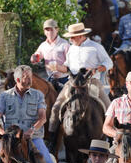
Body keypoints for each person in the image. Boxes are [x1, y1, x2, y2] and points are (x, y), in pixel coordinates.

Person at [47, 22, 112, 152]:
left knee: (109, 107)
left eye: (73, 37)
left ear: (81, 36)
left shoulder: (96, 47)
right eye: (70, 37)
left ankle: (112, 138)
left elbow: (108, 62)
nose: (70, 40)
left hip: (91, 81)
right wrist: (56, 67)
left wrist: (96, 69)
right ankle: (51, 139)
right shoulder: (72, 48)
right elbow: (67, 67)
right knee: (56, 107)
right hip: (73, 82)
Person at [30, 19, 70, 92]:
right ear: (44, 32)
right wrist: (34, 58)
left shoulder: (65, 44)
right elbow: (37, 57)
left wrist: (59, 70)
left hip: (65, 79)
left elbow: (70, 64)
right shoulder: (43, 45)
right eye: (47, 30)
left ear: (57, 30)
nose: (49, 32)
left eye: (51, 29)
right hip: (50, 79)